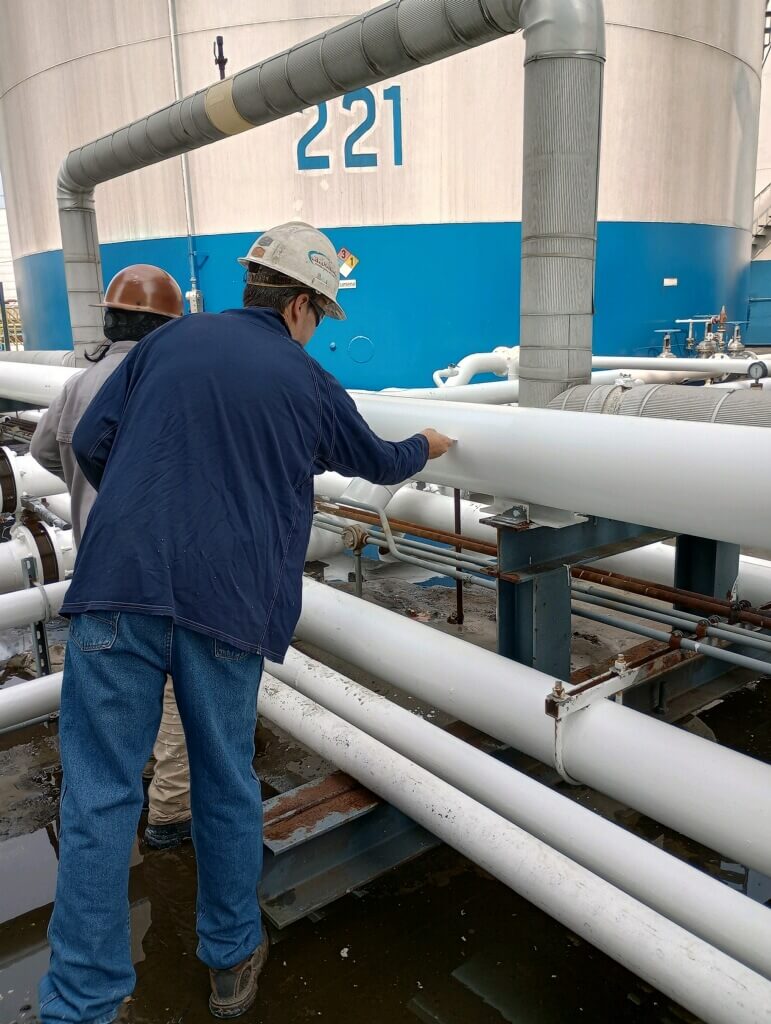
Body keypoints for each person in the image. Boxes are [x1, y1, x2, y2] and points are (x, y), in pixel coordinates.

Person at [39, 221, 454, 1023]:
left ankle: (80, 1005)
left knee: (97, 798)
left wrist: (139, 511)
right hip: (223, 604)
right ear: (300, 305)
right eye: (319, 318)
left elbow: (91, 439)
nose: (316, 333)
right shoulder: (304, 382)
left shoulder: (168, 343)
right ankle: (229, 963)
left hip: (117, 585)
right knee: (224, 784)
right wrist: (427, 444)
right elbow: (375, 460)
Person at [30, 264, 193, 852]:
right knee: (177, 690)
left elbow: (45, 452)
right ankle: (170, 813)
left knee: (110, 706)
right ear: (167, 329)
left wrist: (85, 484)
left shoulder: (77, 387)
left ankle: (108, 837)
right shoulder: (174, 383)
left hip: (96, 578)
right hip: (166, 574)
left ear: (109, 318)